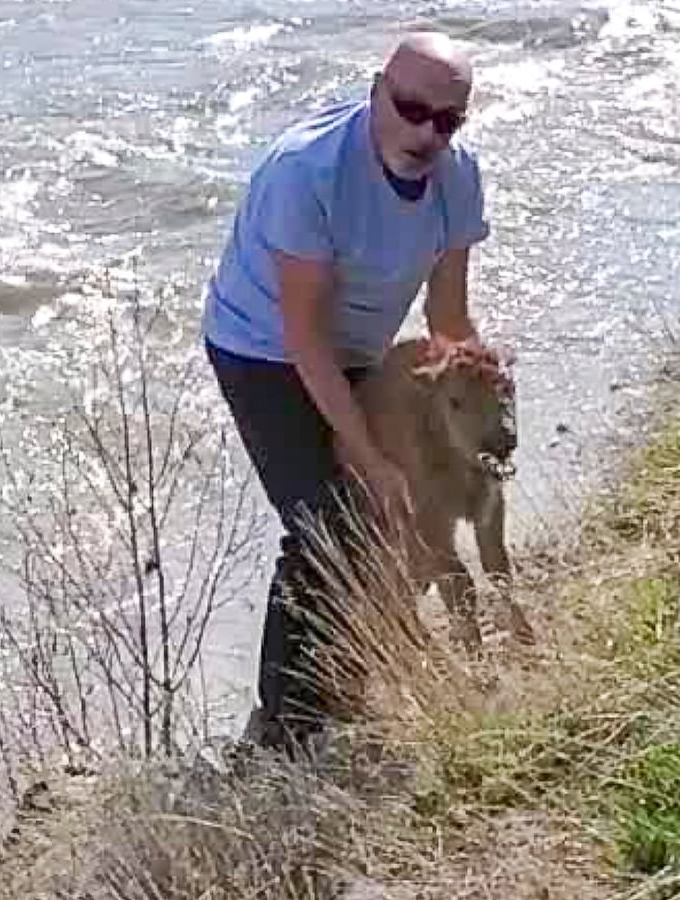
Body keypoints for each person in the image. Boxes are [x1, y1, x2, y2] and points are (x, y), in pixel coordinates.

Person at [201, 31, 491, 756]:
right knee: (330, 521)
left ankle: (352, 675)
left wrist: (479, 387)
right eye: (411, 108)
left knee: (411, 506)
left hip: (360, 349)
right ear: (376, 92)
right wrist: (367, 455)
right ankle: (282, 735)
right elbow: (305, 340)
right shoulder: (308, 172)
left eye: (446, 120)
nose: (426, 132)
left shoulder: (458, 179)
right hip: (263, 348)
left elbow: (448, 319)